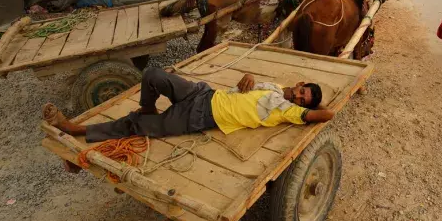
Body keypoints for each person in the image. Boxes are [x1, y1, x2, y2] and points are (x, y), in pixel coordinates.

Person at [43, 67, 334, 142]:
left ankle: (75, 129)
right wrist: (249, 75)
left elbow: (324, 114)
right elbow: (248, 85)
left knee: (135, 126)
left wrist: (318, 108)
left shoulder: (289, 112)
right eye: (302, 91)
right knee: (153, 75)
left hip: (199, 118)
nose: (298, 97)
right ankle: (147, 105)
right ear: (299, 84)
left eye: (302, 100)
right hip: (203, 93)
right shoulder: (272, 86)